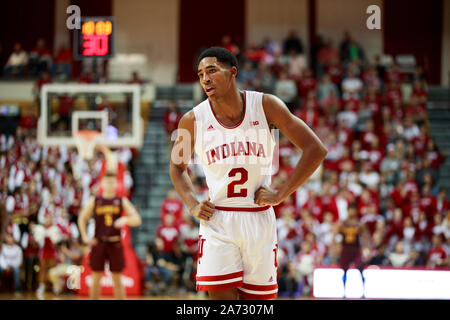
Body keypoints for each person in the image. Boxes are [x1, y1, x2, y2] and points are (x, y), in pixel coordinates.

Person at [169, 47, 327, 300]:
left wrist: (281, 194)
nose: (205, 79)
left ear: (232, 72)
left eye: (212, 71)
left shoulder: (266, 106)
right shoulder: (191, 120)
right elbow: (177, 168)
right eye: (200, 75)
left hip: (258, 218)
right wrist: (191, 204)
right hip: (218, 221)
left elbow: (315, 148)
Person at [77, 171, 142, 299]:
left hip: (115, 243)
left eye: (112, 181)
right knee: (96, 278)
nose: (109, 184)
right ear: (102, 183)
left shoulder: (121, 200)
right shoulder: (95, 200)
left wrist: (125, 220)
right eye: (107, 181)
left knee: (117, 279)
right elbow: (82, 218)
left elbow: (137, 219)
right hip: (99, 243)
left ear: (116, 183)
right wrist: (84, 236)